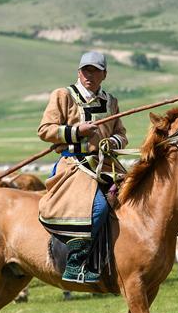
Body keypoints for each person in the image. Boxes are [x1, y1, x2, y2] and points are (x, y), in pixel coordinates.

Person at [37, 51, 128, 283]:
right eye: (86, 70)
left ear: (104, 74)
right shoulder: (64, 95)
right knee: (97, 207)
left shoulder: (111, 101)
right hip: (75, 164)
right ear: (79, 72)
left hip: (106, 164)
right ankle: (76, 262)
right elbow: (45, 130)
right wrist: (77, 131)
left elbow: (121, 134)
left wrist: (112, 142)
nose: (90, 75)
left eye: (95, 71)